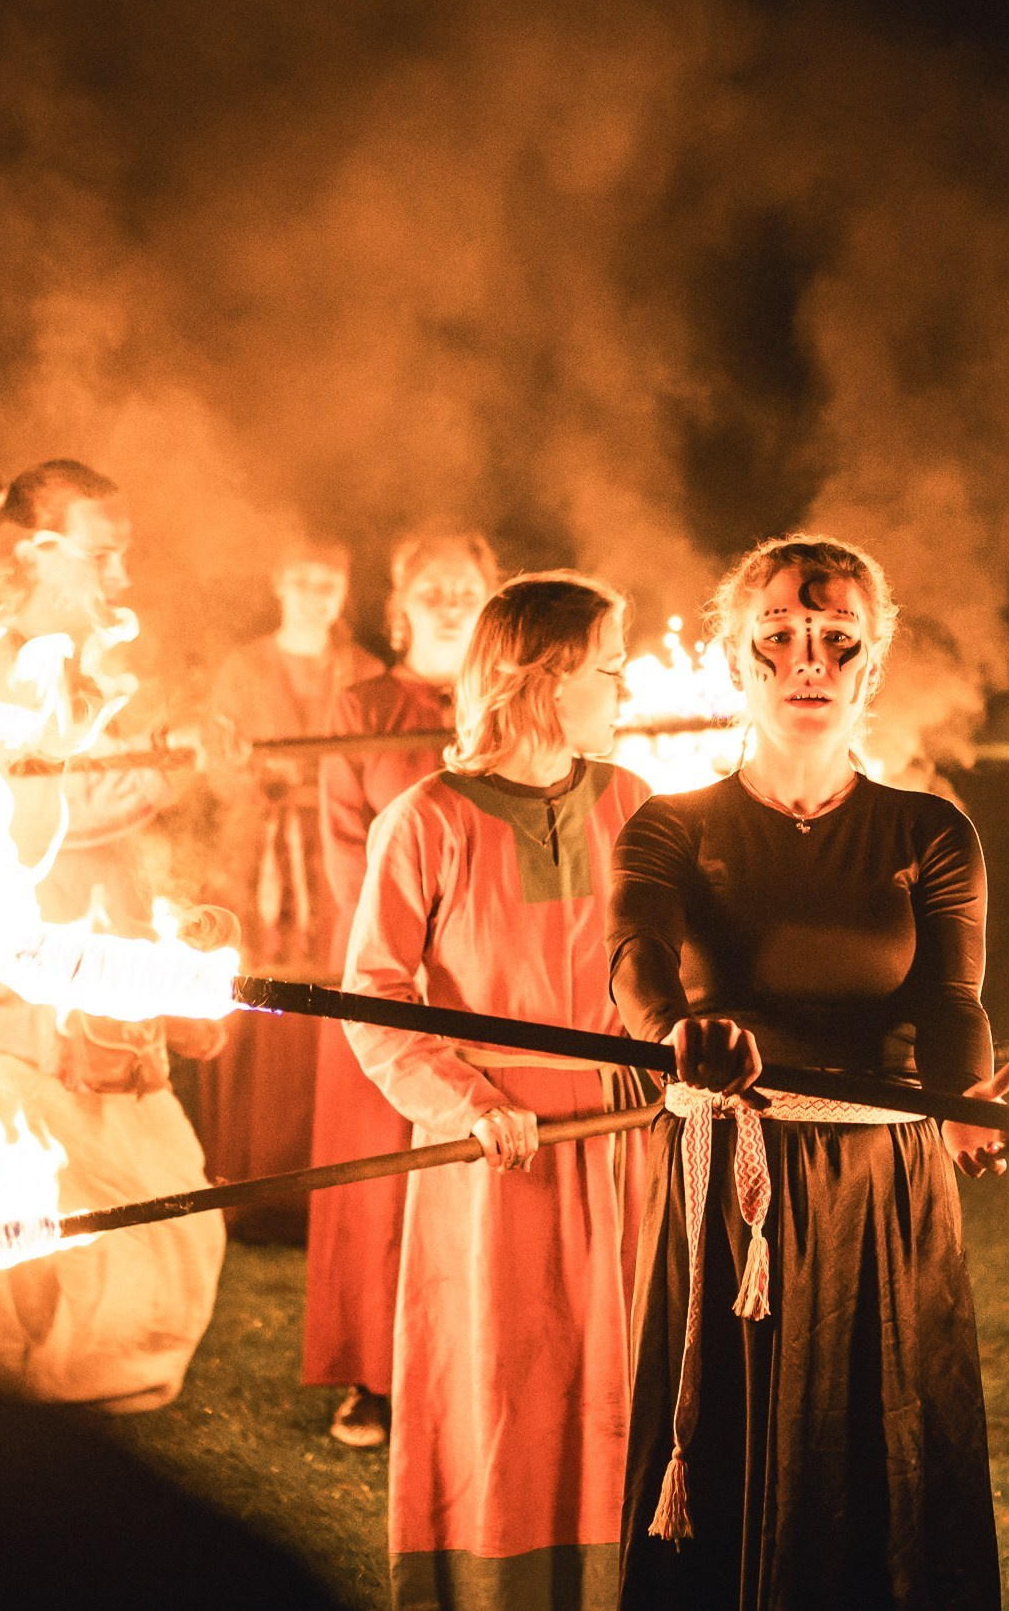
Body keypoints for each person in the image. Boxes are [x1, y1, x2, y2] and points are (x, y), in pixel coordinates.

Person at [606, 534, 1009, 1609]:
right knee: (735, 1454)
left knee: (875, 1450)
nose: (808, 663)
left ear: (870, 664)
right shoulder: (670, 827)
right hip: (731, 1182)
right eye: (780, 638)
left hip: (882, 1186)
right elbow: (634, 956)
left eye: (837, 642)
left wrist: (966, 1099)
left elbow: (952, 1002)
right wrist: (678, 1036)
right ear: (734, 658)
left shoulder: (928, 830)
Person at [342, 571, 655, 1610]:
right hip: (496, 1152)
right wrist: (468, 1101)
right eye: (608, 663)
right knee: (501, 1378)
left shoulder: (629, 801)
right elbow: (376, 996)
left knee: (617, 1370)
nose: (624, 680)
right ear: (545, 676)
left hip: (621, 1138)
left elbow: (670, 966)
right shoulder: (424, 819)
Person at [0, 459, 226, 1414]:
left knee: (161, 1203)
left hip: (96, 974)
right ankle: (17, 1424)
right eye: (101, 555)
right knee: (23, 1233)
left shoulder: (91, 665)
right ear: (39, 551)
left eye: (124, 555)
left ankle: (69, 1405)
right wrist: (176, 764)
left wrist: (186, 746)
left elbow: (119, 806)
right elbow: (42, 822)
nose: (118, 578)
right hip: (12, 989)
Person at [305, 525, 500, 1446]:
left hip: (489, 974)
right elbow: (346, 836)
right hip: (386, 972)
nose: (453, 601)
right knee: (377, 1180)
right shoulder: (365, 703)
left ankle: (472, 1362)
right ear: (402, 601)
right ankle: (372, 1378)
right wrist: (400, 956)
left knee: (480, 1166)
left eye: (469, 586)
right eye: (436, 587)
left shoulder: (510, 698)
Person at [194, 532, 384, 1242]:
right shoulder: (243, 669)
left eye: (327, 583)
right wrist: (261, 780)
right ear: (279, 583)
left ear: (343, 591)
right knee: (255, 1012)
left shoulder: (364, 669)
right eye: (301, 580)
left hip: (336, 864)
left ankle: (324, 1186)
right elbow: (217, 764)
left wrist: (323, 789)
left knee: (326, 1011)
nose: (314, 595)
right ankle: (249, 1189)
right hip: (258, 865)